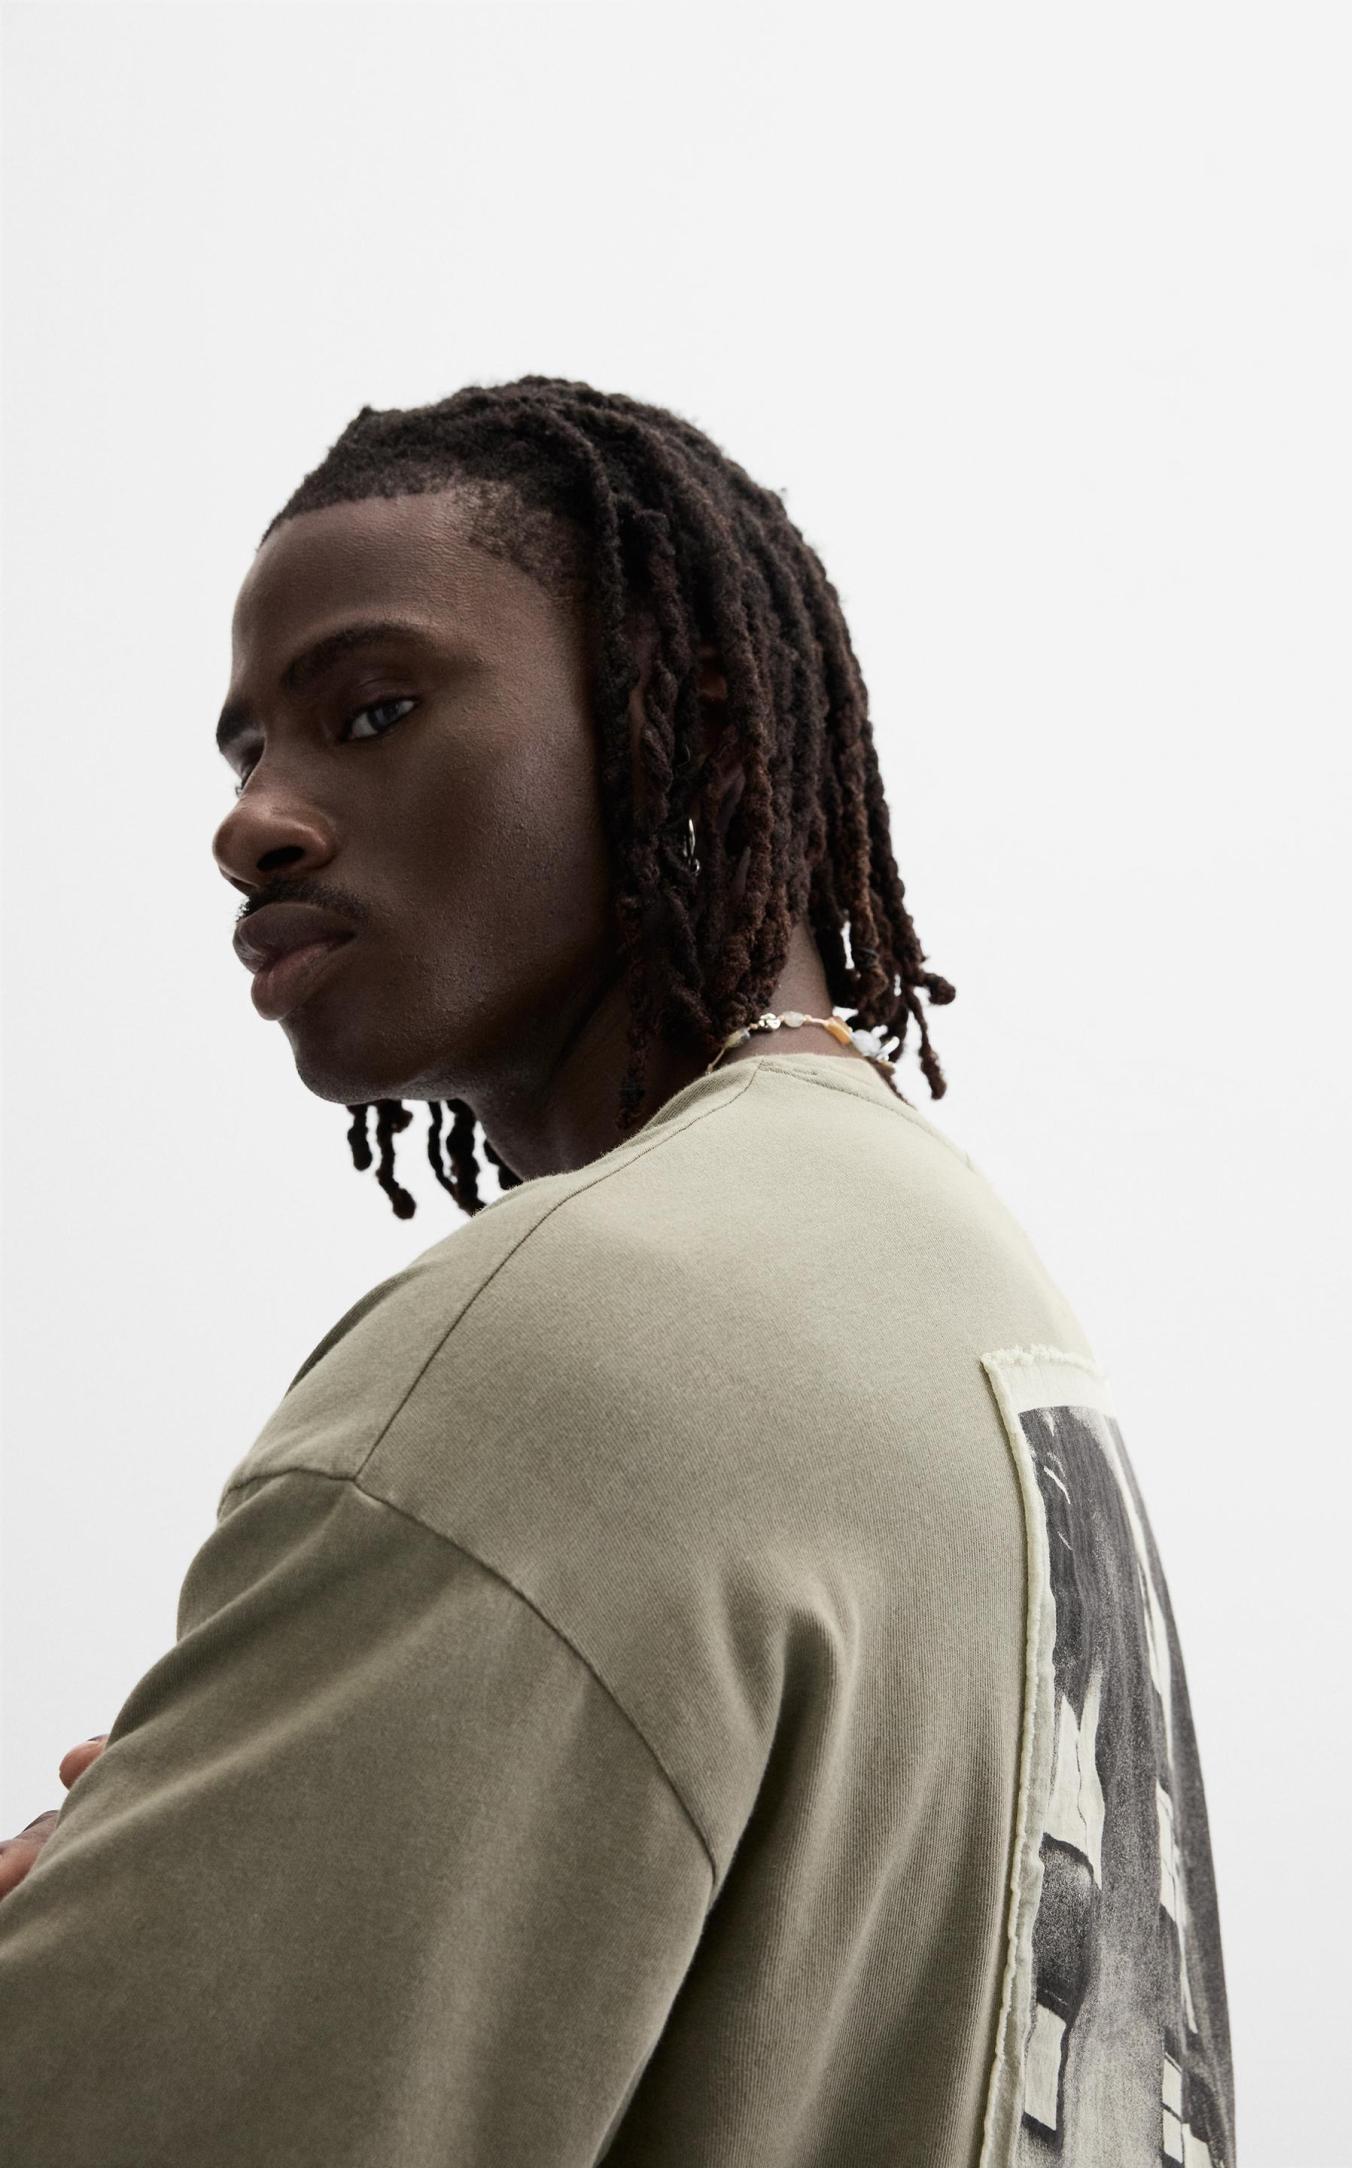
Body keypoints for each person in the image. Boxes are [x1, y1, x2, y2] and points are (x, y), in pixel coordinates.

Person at [0, 377, 1235, 2166]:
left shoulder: (569, 1348)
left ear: (693, 715)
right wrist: (198, 1884)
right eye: (248, 752)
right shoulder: (963, 1295)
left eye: (373, 710)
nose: (254, 820)